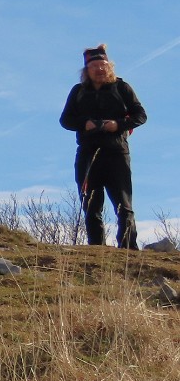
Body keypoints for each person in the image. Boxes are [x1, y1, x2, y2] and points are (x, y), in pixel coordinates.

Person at [59, 44, 147, 249]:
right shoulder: (78, 91)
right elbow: (65, 120)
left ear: (110, 67)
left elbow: (141, 115)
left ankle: (128, 250)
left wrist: (118, 125)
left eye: (104, 65)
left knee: (123, 205)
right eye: (95, 65)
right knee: (90, 205)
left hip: (116, 152)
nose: (100, 69)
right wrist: (85, 124)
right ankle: (96, 250)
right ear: (86, 70)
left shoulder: (122, 87)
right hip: (87, 153)